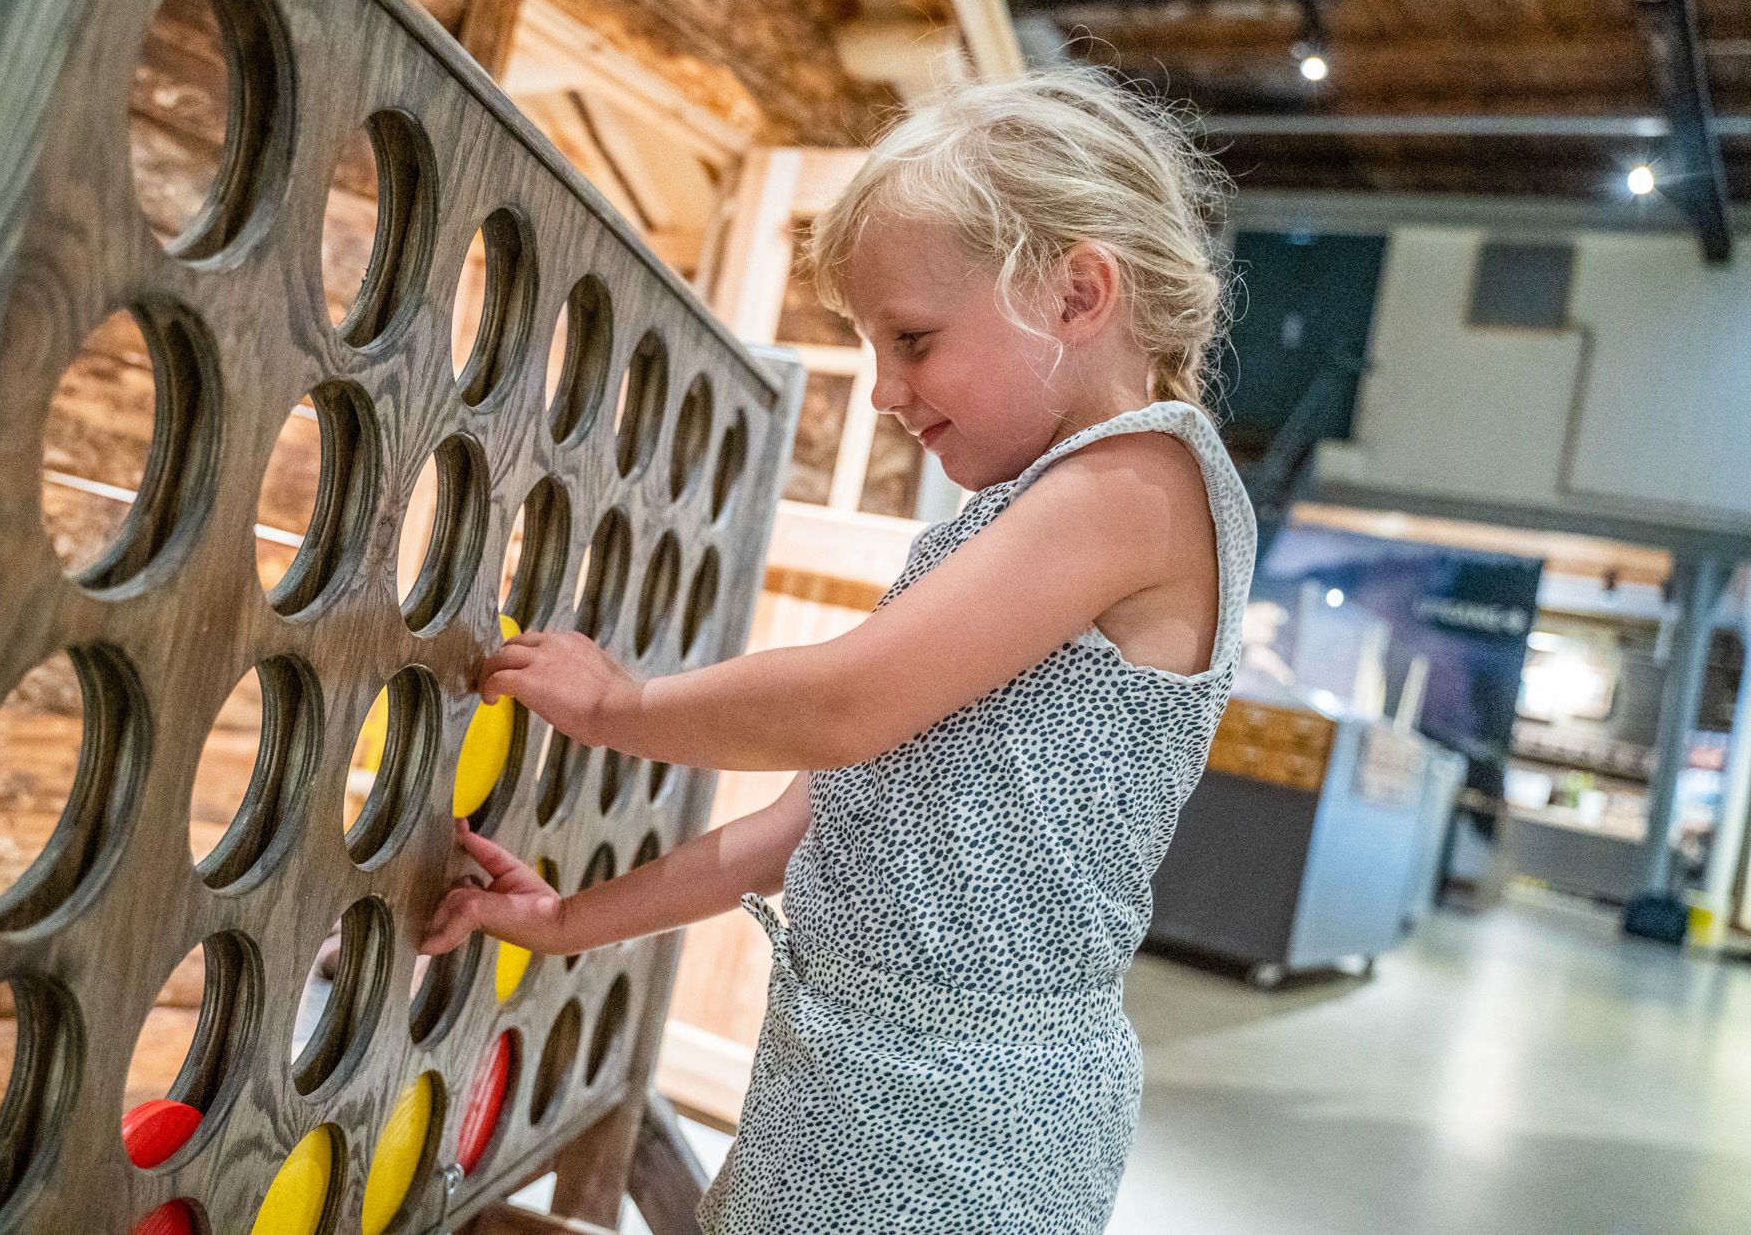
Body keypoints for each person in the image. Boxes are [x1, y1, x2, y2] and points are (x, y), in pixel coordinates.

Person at [421, 66, 1256, 1234]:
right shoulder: (1040, 510)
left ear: (1077, 293)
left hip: (966, 1117)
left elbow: (845, 704)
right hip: (852, 1072)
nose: (882, 392)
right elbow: (806, 820)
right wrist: (569, 924)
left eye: (912, 340)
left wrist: (623, 706)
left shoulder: (1138, 483)